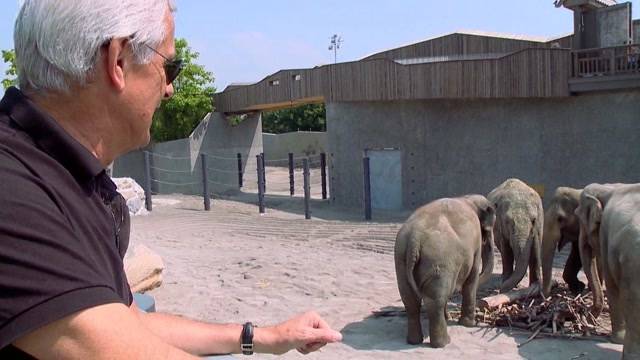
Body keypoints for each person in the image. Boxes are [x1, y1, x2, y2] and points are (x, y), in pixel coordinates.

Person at [0, 1, 342, 358]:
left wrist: (264, 337)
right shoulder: (13, 193)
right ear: (118, 61)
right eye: (169, 67)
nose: (169, 90)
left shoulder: (64, 176)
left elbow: (125, 325)